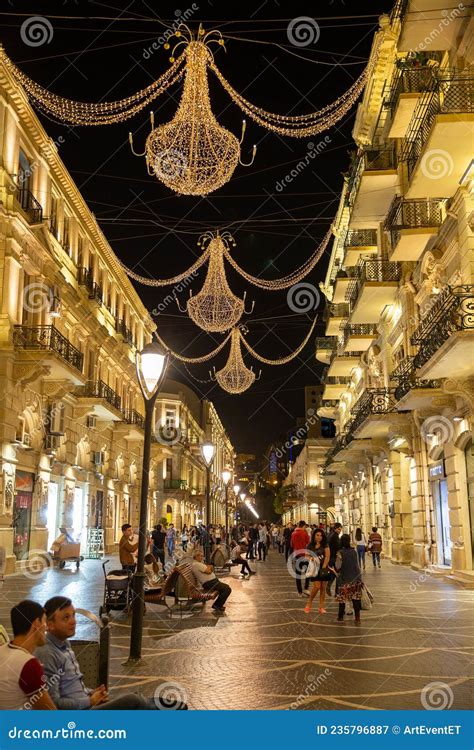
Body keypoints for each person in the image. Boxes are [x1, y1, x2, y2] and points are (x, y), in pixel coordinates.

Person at [37, 596, 186, 709]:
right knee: (133, 701)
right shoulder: (48, 653)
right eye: (66, 618)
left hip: (88, 704)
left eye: (73, 615)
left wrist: (92, 692)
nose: (73, 621)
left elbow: (73, 687)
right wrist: (90, 700)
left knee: (138, 700)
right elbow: (53, 703)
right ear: (49, 625)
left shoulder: (65, 644)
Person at [0, 600, 57, 710]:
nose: (48, 628)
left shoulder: (2, 650)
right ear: (36, 624)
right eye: (45, 622)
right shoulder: (28, 664)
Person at [333, 534, 363, 624]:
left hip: (344, 579)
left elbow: (338, 566)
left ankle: (340, 617)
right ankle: (357, 618)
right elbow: (356, 564)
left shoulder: (340, 553)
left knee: (342, 599)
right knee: (355, 599)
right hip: (355, 578)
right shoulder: (354, 551)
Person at [191, 550, 232, 614]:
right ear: (196, 556)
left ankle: (218, 605)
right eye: (200, 556)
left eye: (202, 556)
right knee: (227, 589)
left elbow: (210, 568)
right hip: (209, 583)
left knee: (226, 588)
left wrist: (209, 567)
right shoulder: (196, 564)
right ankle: (217, 605)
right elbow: (209, 571)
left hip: (212, 582)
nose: (202, 557)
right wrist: (209, 567)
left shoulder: (198, 563)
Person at [304, 529, 330, 615]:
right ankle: (309, 602)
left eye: (321, 535)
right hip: (315, 569)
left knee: (323, 588)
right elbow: (306, 556)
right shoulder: (310, 545)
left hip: (324, 568)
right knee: (317, 586)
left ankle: (321, 607)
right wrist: (311, 558)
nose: (319, 537)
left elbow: (327, 556)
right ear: (314, 536)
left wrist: (323, 567)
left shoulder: (325, 545)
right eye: (317, 535)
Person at [290, 521, 310, 597]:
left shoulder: (293, 533)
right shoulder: (305, 533)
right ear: (304, 526)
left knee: (298, 574)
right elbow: (308, 543)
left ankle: (299, 592)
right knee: (308, 573)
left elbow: (291, 544)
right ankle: (306, 588)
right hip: (305, 554)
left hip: (297, 555)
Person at [326, 522, 342, 596]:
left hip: (331, 557)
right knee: (337, 574)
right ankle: (336, 592)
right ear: (335, 528)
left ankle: (331, 587)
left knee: (334, 573)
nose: (340, 531)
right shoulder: (335, 536)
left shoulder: (331, 534)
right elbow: (338, 547)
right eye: (339, 529)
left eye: (340, 529)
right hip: (334, 557)